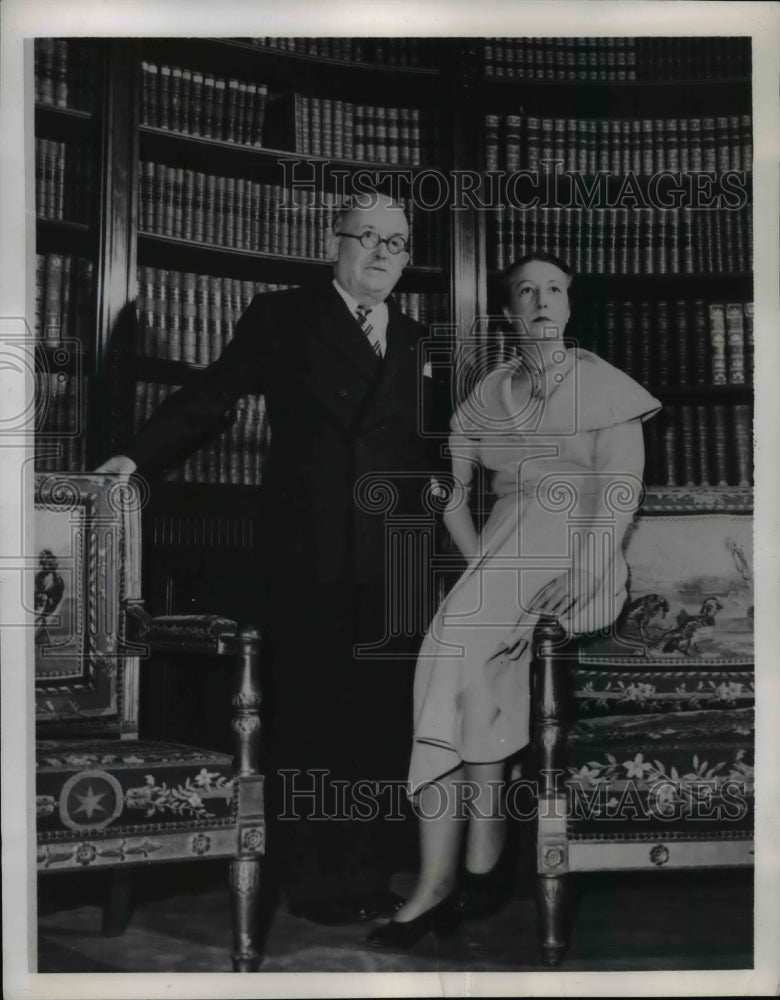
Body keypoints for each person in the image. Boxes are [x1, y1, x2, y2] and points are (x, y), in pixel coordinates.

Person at [97, 190, 444, 925]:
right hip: (307, 548)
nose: (383, 253)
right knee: (312, 712)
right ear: (334, 243)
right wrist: (137, 459)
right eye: (368, 237)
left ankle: (370, 871)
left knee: (380, 719)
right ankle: (316, 881)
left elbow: (438, 451)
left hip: (396, 559)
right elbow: (214, 396)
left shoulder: (418, 338)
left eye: (398, 241)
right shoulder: (282, 315)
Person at [368, 251, 662, 949]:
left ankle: (459, 871)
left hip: (576, 554)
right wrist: (479, 567)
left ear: (568, 306)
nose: (540, 300)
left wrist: (584, 571)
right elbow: (448, 493)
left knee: (454, 656)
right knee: (461, 669)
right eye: (525, 290)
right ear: (507, 311)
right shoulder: (487, 393)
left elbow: (621, 493)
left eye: (553, 289)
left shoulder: (603, 384)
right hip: (501, 556)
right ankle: (471, 863)